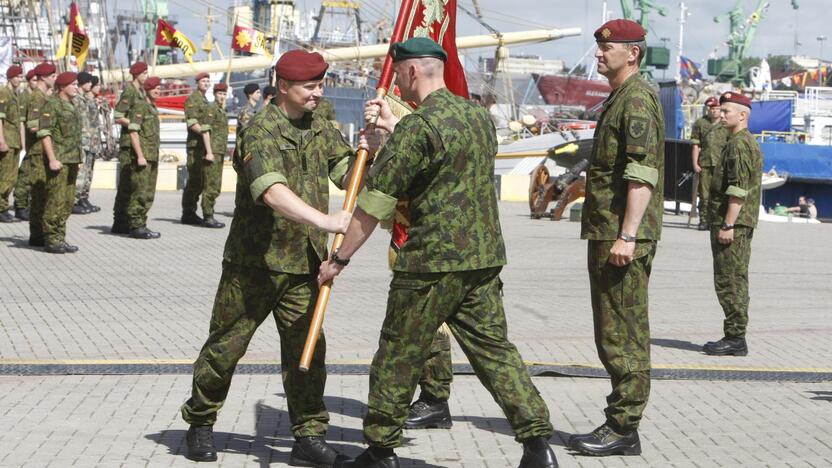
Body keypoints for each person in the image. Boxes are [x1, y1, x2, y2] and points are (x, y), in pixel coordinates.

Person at [317, 37, 557, 468]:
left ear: (411, 72)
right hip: (482, 259)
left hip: (430, 263)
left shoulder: (419, 126)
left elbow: (376, 202)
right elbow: (445, 169)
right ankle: (538, 443)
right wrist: (392, 135)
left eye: (399, 77)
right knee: (495, 352)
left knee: (398, 353)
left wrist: (339, 259)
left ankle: (380, 450)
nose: (399, 89)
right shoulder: (477, 117)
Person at [180, 50, 361, 466]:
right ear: (284, 87)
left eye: (320, 85)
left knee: (308, 353)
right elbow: (270, 190)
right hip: (254, 265)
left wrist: (373, 147)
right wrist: (326, 221)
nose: (318, 93)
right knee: (225, 349)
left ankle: (309, 435)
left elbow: (347, 174)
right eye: (310, 86)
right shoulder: (259, 129)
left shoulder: (320, 125)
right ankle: (201, 423)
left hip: (304, 265)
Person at [568, 19, 664, 457]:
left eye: (609, 48)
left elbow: (642, 173)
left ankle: (624, 427)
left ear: (634, 53)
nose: (600, 54)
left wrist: (627, 235)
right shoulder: (621, 97)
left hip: (621, 238)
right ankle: (621, 422)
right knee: (612, 332)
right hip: (608, 233)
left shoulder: (637, 100)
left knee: (623, 334)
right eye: (599, 48)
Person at [702, 92, 763, 356]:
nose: (721, 114)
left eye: (727, 111)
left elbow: (738, 190)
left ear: (743, 115)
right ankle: (734, 335)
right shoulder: (740, 141)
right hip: (736, 223)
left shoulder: (739, 144)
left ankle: (735, 338)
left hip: (733, 225)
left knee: (730, 280)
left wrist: (728, 225)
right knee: (733, 278)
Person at [36, 72, 83, 254]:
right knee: (55, 200)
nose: (76, 87)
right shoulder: (52, 105)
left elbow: (75, 135)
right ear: (62, 87)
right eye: (74, 84)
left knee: (68, 201)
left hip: (72, 159)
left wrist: (78, 159)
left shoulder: (72, 105)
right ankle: (51, 237)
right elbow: (44, 133)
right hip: (60, 160)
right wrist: (52, 159)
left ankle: (60, 236)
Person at [180, 72, 222, 227]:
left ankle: (192, 213)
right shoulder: (193, 100)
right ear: (197, 83)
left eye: (208, 81)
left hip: (205, 146)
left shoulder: (206, 101)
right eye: (203, 81)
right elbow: (192, 123)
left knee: (203, 181)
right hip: (195, 147)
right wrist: (205, 132)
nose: (206, 83)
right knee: (195, 181)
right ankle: (188, 213)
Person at [112, 62, 148, 234]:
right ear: (137, 74)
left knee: (130, 184)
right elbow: (118, 116)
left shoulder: (140, 92)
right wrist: (133, 124)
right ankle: (119, 221)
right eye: (144, 73)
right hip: (128, 144)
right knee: (127, 184)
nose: (146, 76)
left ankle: (123, 221)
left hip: (136, 142)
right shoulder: (130, 91)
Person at [124, 76, 163, 239]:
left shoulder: (152, 108)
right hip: (143, 157)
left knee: (148, 193)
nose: (158, 91)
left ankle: (142, 223)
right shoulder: (140, 107)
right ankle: (135, 225)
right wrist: (139, 155)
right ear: (147, 89)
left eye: (159, 88)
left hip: (152, 155)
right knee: (139, 192)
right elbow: (133, 132)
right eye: (155, 88)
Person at [25, 62, 58, 248]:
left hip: (44, 151)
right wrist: (51, 124)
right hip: (38, 152)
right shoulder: (37, 98)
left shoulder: (45, 97)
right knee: (39, 193)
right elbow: (31, 125)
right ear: (44, 77)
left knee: (44, 193)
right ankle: (36, 234)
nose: (55, 78)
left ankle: (38, 233)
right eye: (52, 75)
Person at [690, 96, 729, 230]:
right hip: (705, 163)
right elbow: (696, 145)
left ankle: (717, 221)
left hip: (721, 164)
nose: (714, 111)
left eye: (717, 108)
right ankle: (704, 220)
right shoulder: (700, 123)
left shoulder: (726, 124)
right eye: (711, 108)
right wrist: (695, 163)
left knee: (720, 194)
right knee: (704, 194)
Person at [195, 82, 229, 228]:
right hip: (212, 152)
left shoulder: (221, 111)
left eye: (224, 94)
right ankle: (208, 216)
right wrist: (209, 151)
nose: (222, 96)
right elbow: (205, 131)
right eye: (220, 94)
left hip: (219, 151)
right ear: (214, 94)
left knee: (216, 185)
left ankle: (210, 213)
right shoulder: (211, 109)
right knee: (211, 185)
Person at [71, 72, 102, 215]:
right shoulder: (77, 99)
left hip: (90, 141)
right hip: (82, 141)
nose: (92, 85)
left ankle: (83, 197)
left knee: (88, 173)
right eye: (89, 82)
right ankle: (74, 200)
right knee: (81, 173)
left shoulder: (85, 99)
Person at [0, 65, 25, 223]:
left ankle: (3, 206)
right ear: (10, 77)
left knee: (12, 177)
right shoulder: (4, 93)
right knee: (5, 176)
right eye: (17, 76)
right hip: (7, 140)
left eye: (21, 77)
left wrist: (22, 143)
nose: (20, 79)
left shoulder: (15, 95)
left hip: (14, 141)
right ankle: (1, 208)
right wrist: (1, 140)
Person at [13, 68, 37, 221]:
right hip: (26, 141)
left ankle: (26, 203)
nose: (36, 82)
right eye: (34, 80)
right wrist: (23, 144)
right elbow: (22, 122)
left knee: (31, 175)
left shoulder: (35, 96)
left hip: (34, 142)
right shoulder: (25, 97)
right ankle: (20, 205)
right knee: (24, 175)